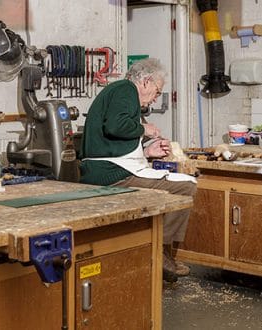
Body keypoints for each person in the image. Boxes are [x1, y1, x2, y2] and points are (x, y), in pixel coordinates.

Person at [79, 58, 197, 283]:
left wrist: (147, 152)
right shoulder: (125, 89)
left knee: (177, 184)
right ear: (146, 81)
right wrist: (145, 128)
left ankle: (155, 249)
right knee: (186, 186)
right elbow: (116, 125)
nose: (154, 99)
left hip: (111, 166)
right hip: (110, 174)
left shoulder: (119, 92)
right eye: (157, 91)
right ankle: (159, 251)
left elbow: (114, 138)